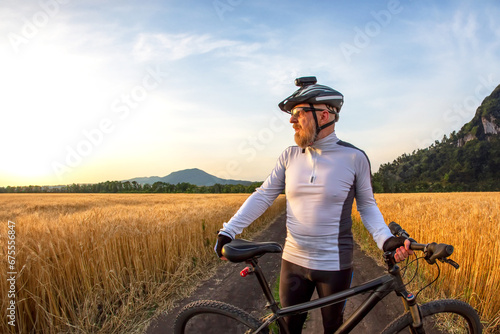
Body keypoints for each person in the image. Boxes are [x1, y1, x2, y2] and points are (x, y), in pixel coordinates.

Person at [214, 76, 412, 333]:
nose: (291, 120)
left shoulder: (354, 158)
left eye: (299, 112)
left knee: (334, 329)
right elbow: (263, 195)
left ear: (325, 115)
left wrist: (385, 239)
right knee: (288, 328)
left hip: (334, 264)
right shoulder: (289, 156)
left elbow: (367, 206)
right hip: (293, 262)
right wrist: (228, 230)